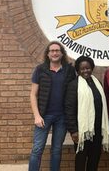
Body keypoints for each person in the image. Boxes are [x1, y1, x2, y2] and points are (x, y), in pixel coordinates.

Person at [28, 41, 76, 171]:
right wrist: (37, 116)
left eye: (57, 50)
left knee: (56, 149)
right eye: (52, 51)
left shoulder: (69, 70)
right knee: (37, 148)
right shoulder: (40, 69)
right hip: (44, 116)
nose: (55, 53)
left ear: (62, 53)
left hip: (62, 117)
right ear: (48, 54)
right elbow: (33, 95)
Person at [65, 56, 109, 171]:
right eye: (82, 69)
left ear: (92, 68)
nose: (86, 71)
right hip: (82, 130)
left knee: (94, 158)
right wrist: (73, 130)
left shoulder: (97, 83)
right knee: (81, 158)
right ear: (78, 70)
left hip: (97, 129)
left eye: (88, 68)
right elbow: (69, 109)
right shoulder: (74, 85)